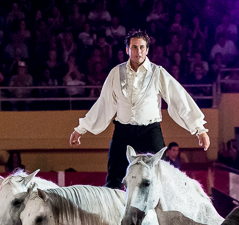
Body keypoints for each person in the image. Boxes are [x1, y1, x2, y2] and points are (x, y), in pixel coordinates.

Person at [69, 30, 210, 189]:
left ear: (147, 49)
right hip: (123, 132)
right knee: (114, 179)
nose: (138, 51)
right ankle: (115, 213)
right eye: (134, 47)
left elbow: (179, 98)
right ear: (127, 50)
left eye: (142, 47)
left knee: (160, 175)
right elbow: (104, 104)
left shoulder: (157, 72)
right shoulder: (116, 72)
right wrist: (81, 129)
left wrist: (199, 129)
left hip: (150, 131)